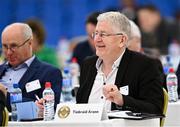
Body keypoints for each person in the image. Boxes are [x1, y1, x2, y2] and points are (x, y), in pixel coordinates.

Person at [76, 11, 164, 114]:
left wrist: (122, 100)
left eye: (103, 34)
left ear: (122, 40)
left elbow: (155, 109)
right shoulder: (88, 65)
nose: (97, 39)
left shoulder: (145, 65)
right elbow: (80, 107)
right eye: (96, 33)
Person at [0, 23, 62, 111]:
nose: (9, 52)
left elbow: (48, 109)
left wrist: (4, 95)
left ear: (30, 43)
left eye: (14, 46)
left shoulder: (49, 73)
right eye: (5, 47)